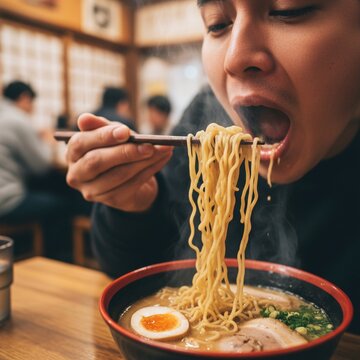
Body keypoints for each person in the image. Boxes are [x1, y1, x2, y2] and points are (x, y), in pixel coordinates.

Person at [65, 1, 360, 333]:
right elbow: (133, 273)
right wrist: (131, 205)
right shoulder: (204, 119)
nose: (235, 58)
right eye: (218, 24)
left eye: (287, 9)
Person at [0, 80, 90, 259]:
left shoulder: (4, 115)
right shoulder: (17, 119)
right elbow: (41, 165)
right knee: (62, 205)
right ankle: (59, 258)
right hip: (7, 200)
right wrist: (48, 140)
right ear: (25, 98)